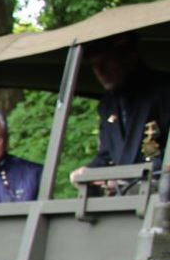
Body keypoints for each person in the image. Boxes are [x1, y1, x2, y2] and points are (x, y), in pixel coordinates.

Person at [70, 32, 170, 192]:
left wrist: (128, 177)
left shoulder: (164, 91)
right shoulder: (108, 105)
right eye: (94, 66)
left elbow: (161, 155)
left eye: (106, 62)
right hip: (126, 200)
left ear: (129, 58)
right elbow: (107, 155)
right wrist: (88, 172)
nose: (99, 71)